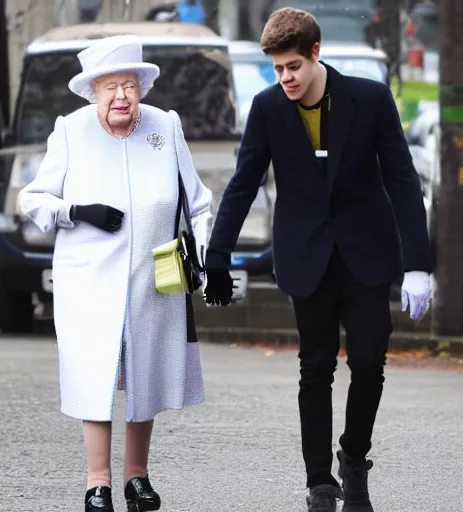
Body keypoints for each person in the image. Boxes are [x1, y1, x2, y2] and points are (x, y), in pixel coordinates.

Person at [203, 7, 432, 512]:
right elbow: (244, 184)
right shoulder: (266, 108)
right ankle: (320, 484)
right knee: (316, 368)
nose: (284, 78)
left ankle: (353, 457)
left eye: (292, 67)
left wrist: (418, 262)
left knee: (369, 363)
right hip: (306, 257)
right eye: (277, 69)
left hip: (367, 255)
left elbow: (401, 177)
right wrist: (217, 257)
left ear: (315, 53)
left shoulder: (368, 99)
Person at [19, 34, 212, 512]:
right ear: (94, 92)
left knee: (145, 373)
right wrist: (76, 212)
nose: (121, 96)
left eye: (129, 85)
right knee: (95, 375)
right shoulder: (72, 129)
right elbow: (32, 199)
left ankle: (137, 477)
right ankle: (97, 481)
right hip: (90, 280)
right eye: (111, 88)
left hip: (154, 279)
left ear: (141, 88)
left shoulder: (164, 127)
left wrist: (205, 257)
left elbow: (200, 202)